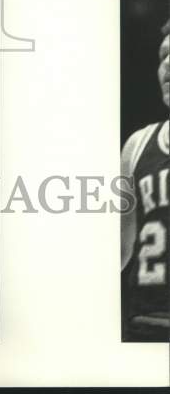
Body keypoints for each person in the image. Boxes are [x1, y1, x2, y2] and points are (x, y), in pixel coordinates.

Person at [120, 20, 169, 342]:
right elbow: (120, 252)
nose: (167, 64)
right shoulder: (138, 145)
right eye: (163, 55)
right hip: (146, 325)